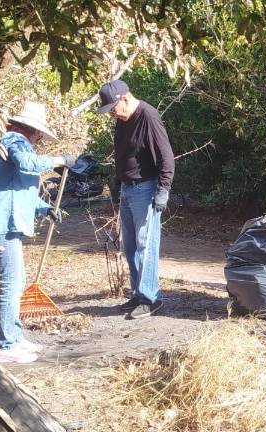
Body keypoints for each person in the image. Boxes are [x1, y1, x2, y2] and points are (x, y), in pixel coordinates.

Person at [0, 101, 74, 363]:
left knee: (17, 281)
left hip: (10, 223)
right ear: (32, 129)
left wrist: (45, 209)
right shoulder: (14, 140)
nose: (40, 137)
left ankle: (15, 338)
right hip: (3, 225)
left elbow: (20, 189)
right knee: (11, 284)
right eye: (39, 133)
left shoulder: (17, 143)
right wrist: (59, 160)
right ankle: (6, 345)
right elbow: (27, 163)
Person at [96, 79, 175, 319]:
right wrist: (117, 180)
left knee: (146, 244)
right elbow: (123, 153)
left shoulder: (148, 116)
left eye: (113, 108)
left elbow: (166, 157)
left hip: (146, 189)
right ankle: (139, 293)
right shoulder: (122, 120)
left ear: (125, 99)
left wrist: (163, 190)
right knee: (130, 246)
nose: (112, 114)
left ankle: (151, 299)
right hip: (128, 189)